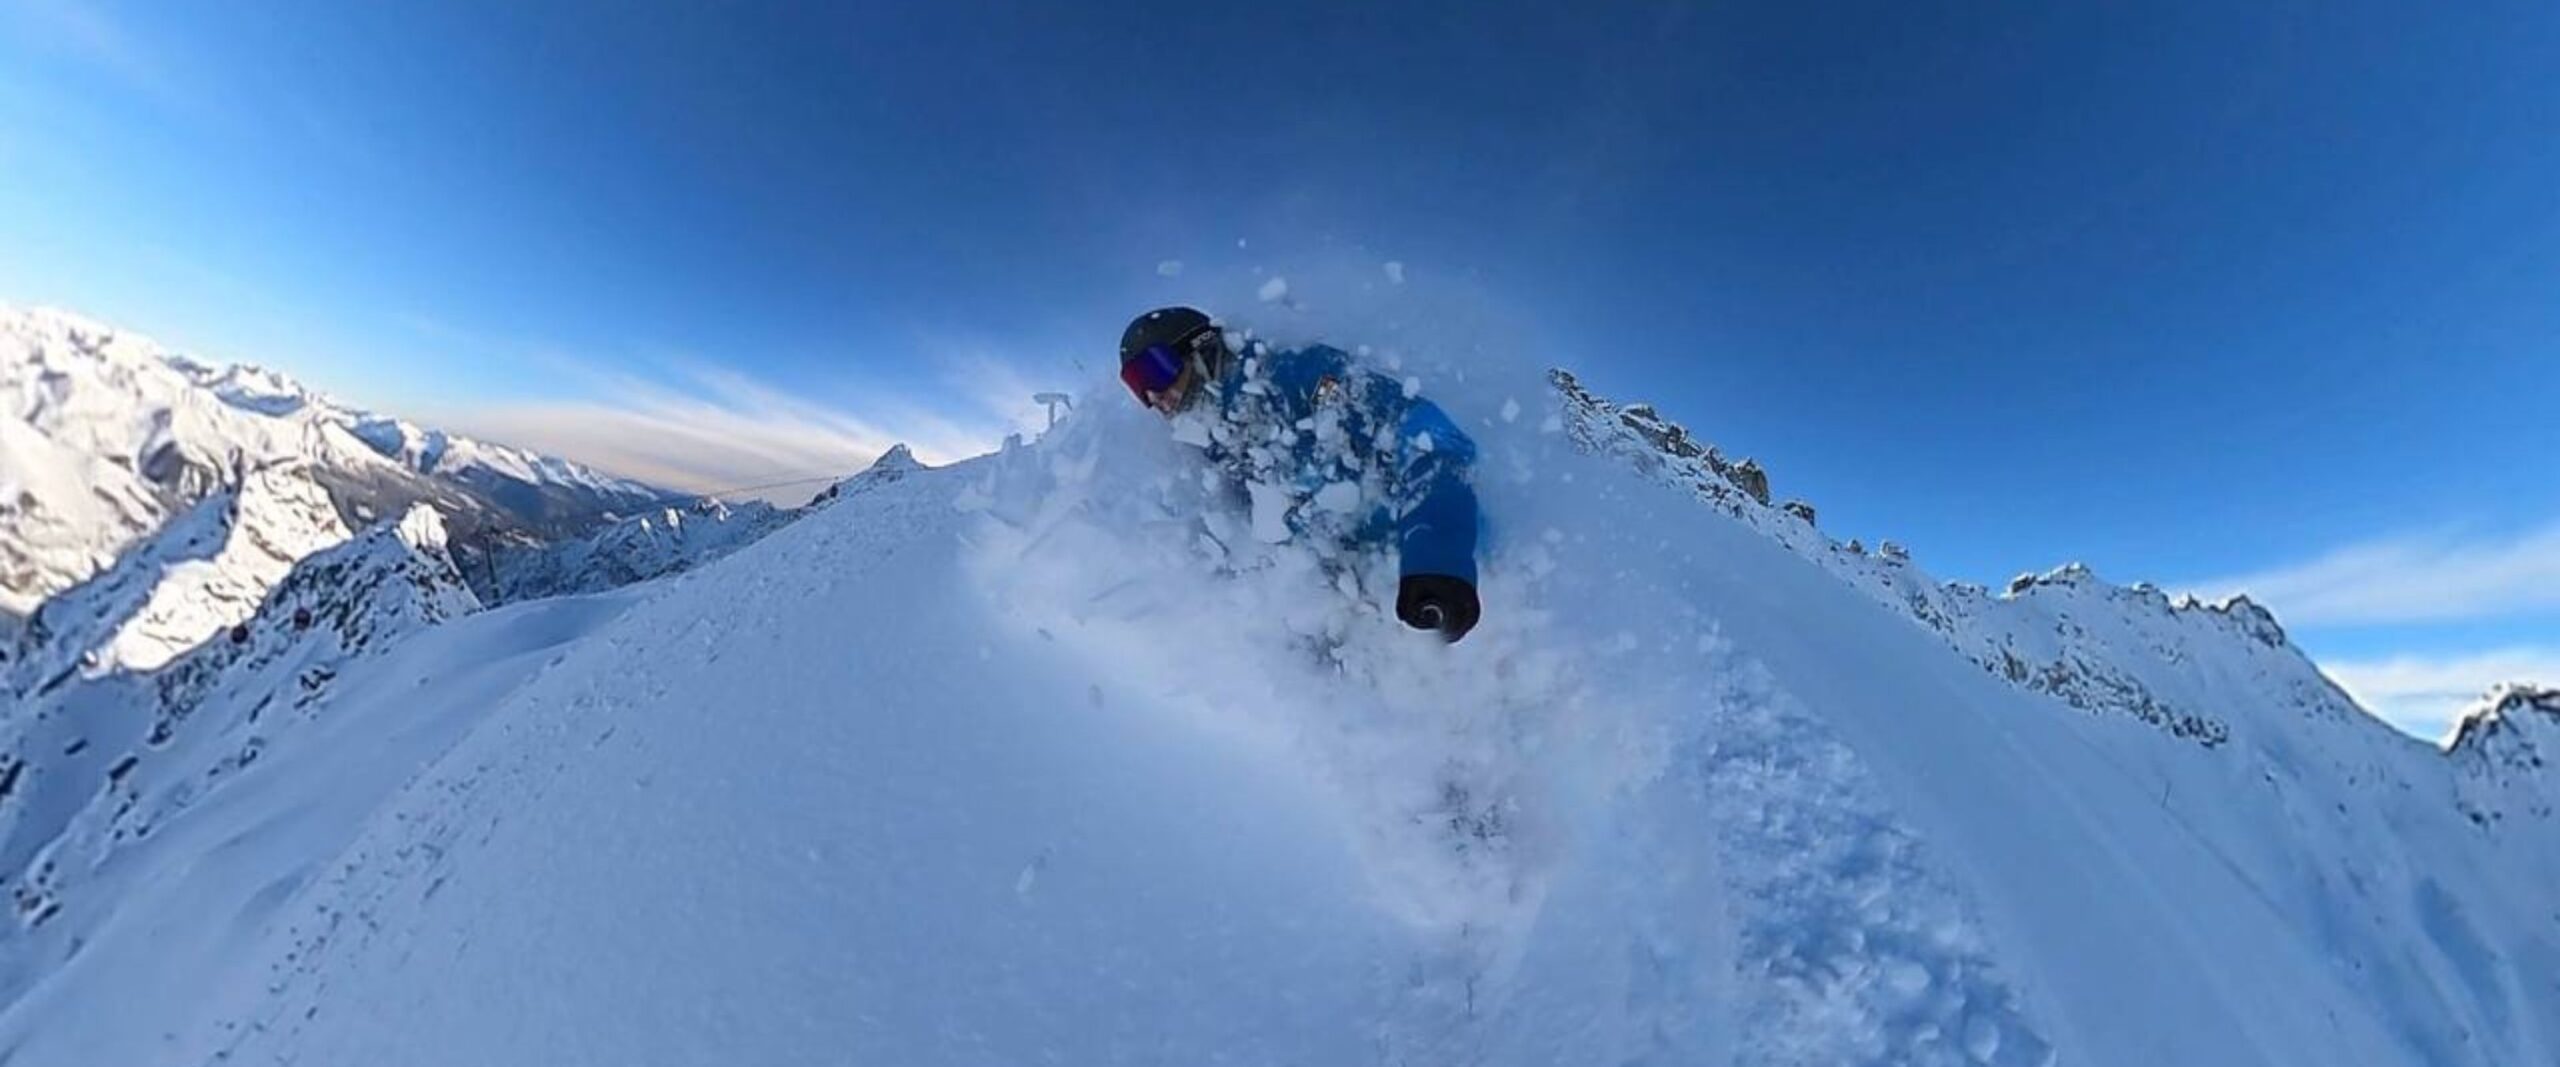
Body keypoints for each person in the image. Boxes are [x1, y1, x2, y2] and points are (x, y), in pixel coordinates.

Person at [1118, 306, 1481, 642]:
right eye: (1137, 386)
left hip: (1447, 579)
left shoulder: (1299, 377)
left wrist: (1437, 560)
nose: (1154, 394)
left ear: (1201, 348)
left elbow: (1431, 443)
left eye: (1154, 370)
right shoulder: (1218, 449)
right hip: (1372, 613)